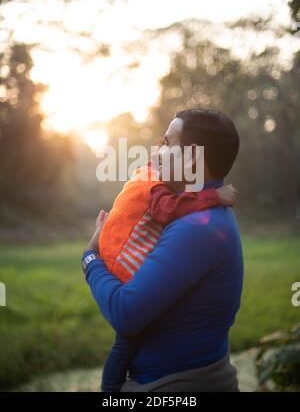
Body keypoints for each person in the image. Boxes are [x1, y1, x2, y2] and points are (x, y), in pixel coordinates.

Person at [82, 108, 243, 392]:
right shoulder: (199, 212)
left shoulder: (197, 227)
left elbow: (125, 313)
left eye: (168, 143)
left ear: (192, 157)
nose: (159, 151)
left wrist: (91, 258)